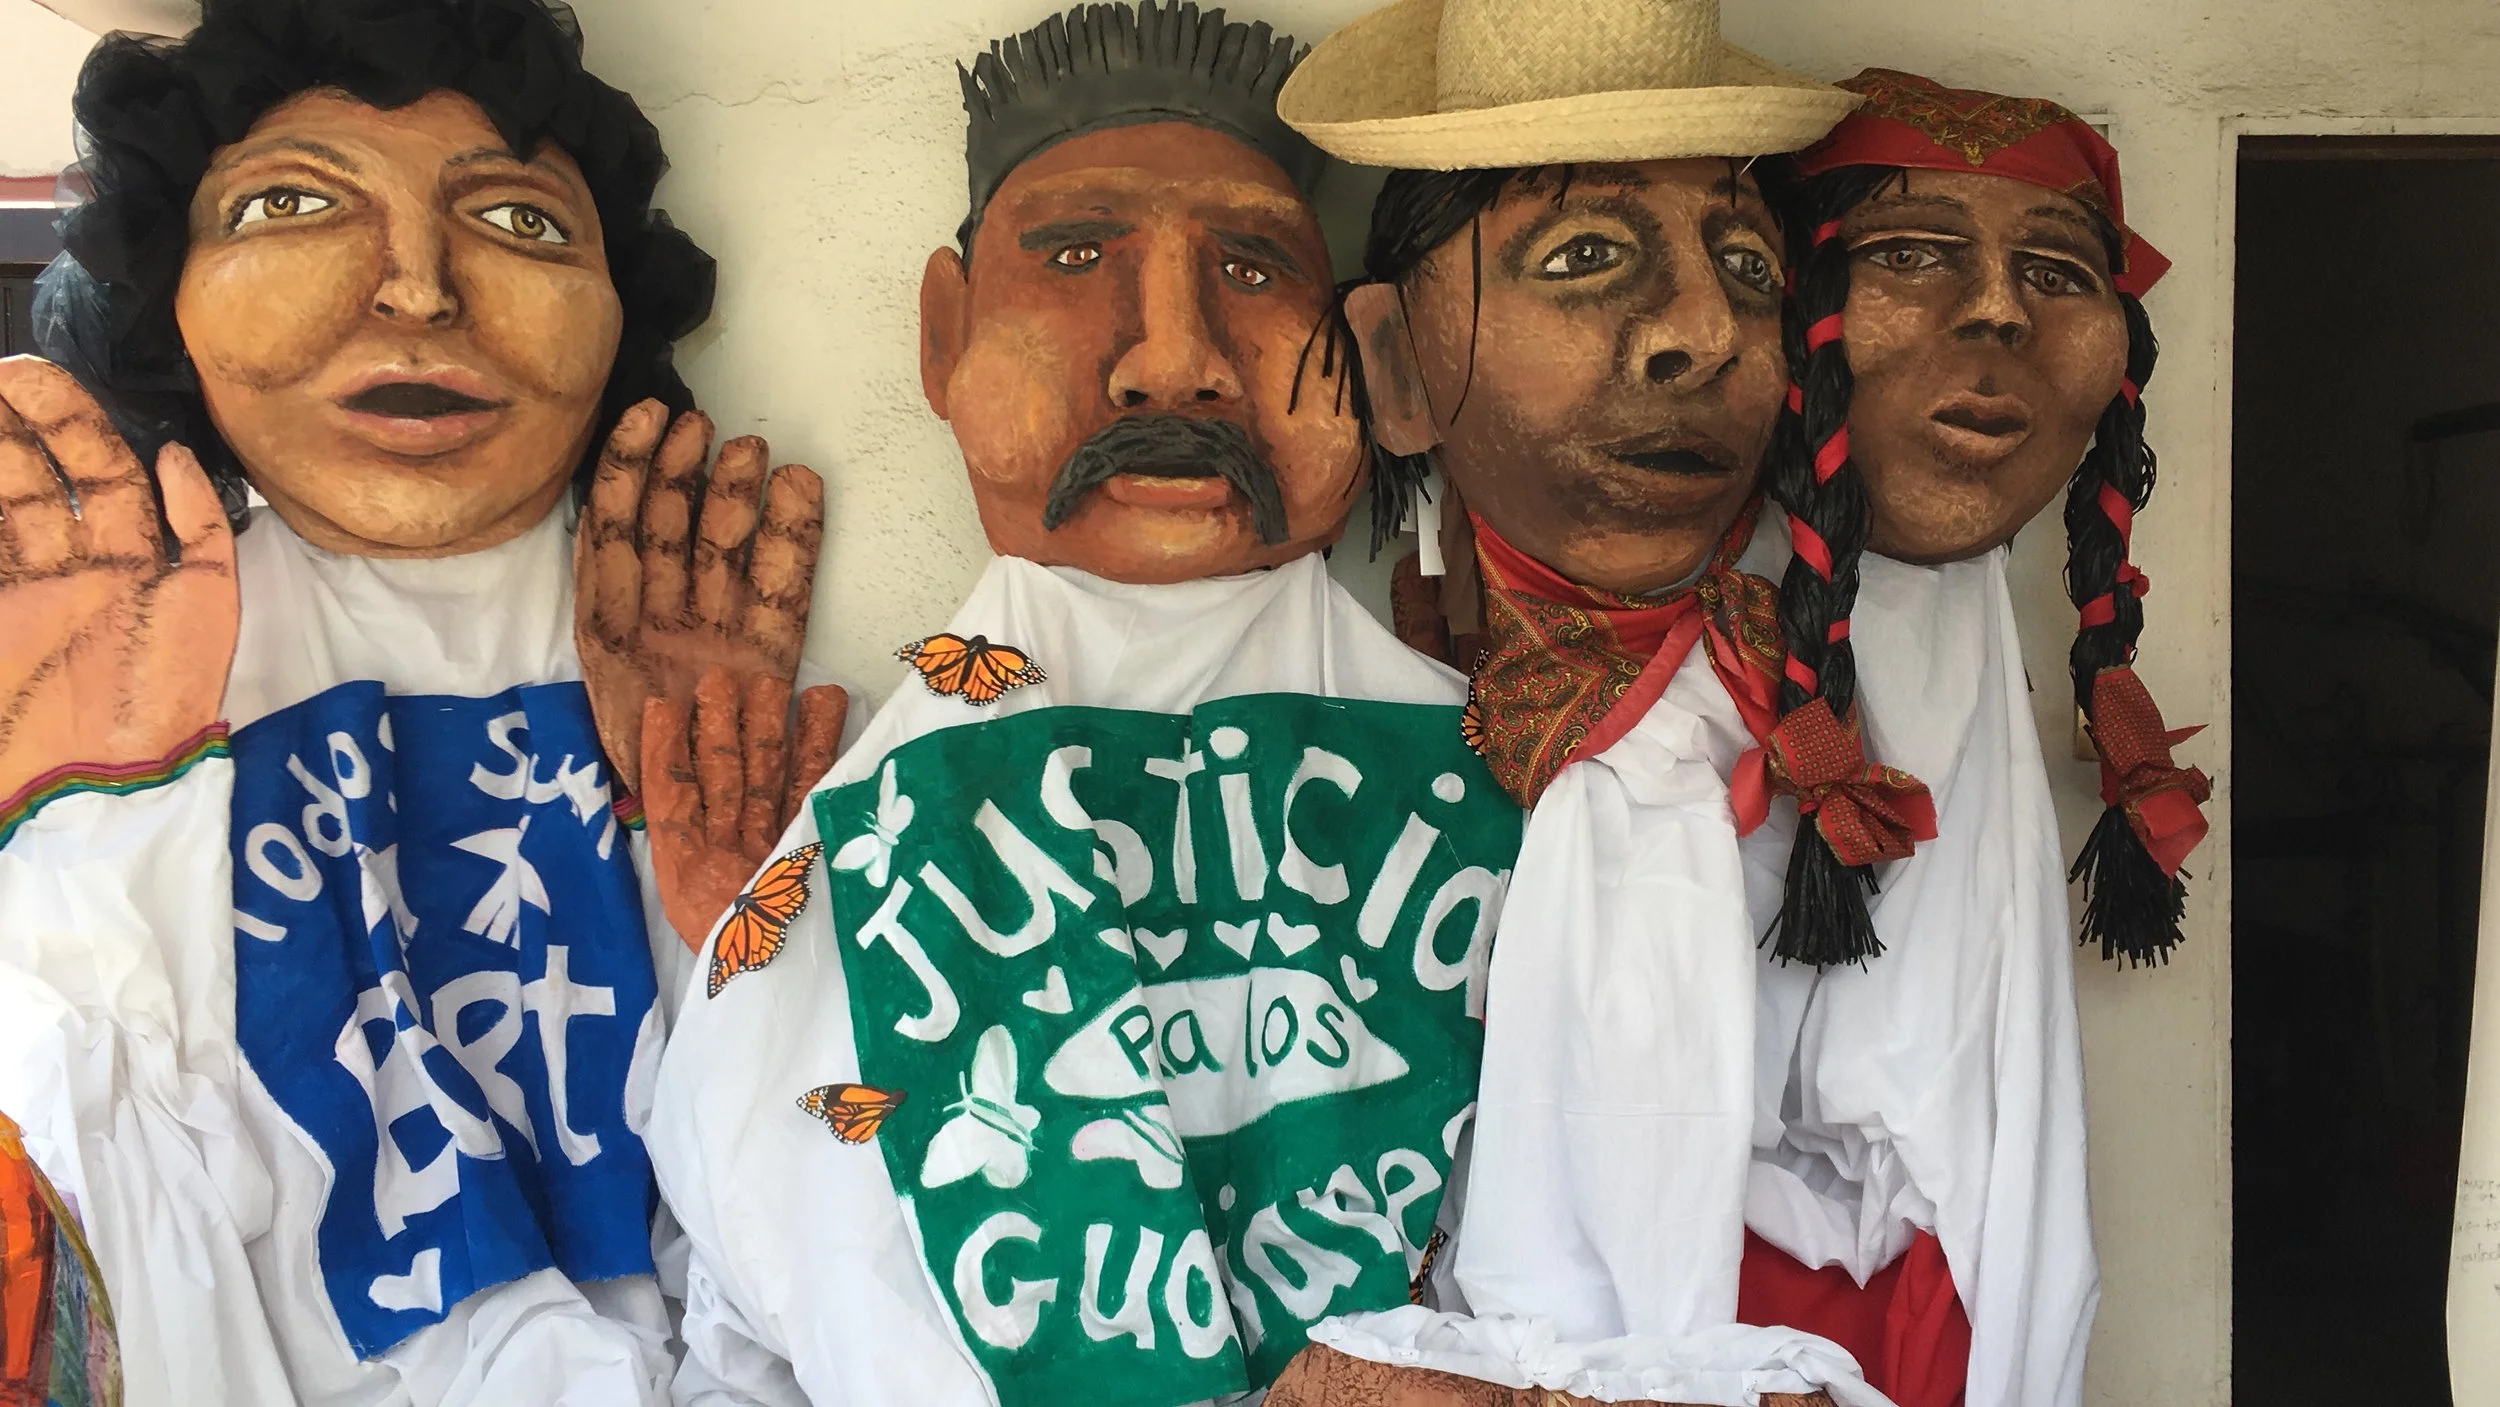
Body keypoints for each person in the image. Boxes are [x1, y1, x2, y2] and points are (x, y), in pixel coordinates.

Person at [645, 5, 1521, 1404]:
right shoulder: (864, 825)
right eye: (1072, 255)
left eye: (1249, 264)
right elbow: (767, 1262)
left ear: (1363, 358)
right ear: (945, 333)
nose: (1171, 356)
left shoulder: (1496, 766)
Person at [0, 0, 840, 1400]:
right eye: (289, 204)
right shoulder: (105, 663)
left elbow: (832, 1200)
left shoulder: (673, 646)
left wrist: (730, 929)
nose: (418, 289)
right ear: (171, 294)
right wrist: (76, 848)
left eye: (519, 223)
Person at [1270, 1, 1904, 1403]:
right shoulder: (1309, 734)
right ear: (1394, 367)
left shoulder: (1796, 712)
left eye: (1746, 264)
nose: (1702, 332)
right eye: (1586, 257)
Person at [1734, 70, 2205, 1407]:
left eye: (2057, 271)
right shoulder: (1699, 629)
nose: (1997, 308)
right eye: (1910, 254)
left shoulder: (1963, 611)